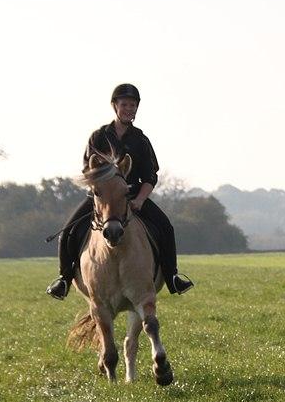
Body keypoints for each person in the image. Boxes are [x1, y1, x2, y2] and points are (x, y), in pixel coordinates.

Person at [46, 83, 194, 299]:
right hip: (101, 198)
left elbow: (150, 176)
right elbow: (87, 170)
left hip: (132, 197)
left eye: (133, 105)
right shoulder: (98, 137)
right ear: (114, 106)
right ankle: (64, 279)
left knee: (166, 228)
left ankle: (172, 277)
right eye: (124, 104)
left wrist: (141, 200)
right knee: (67, 232)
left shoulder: (141, 140)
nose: (129, 109)